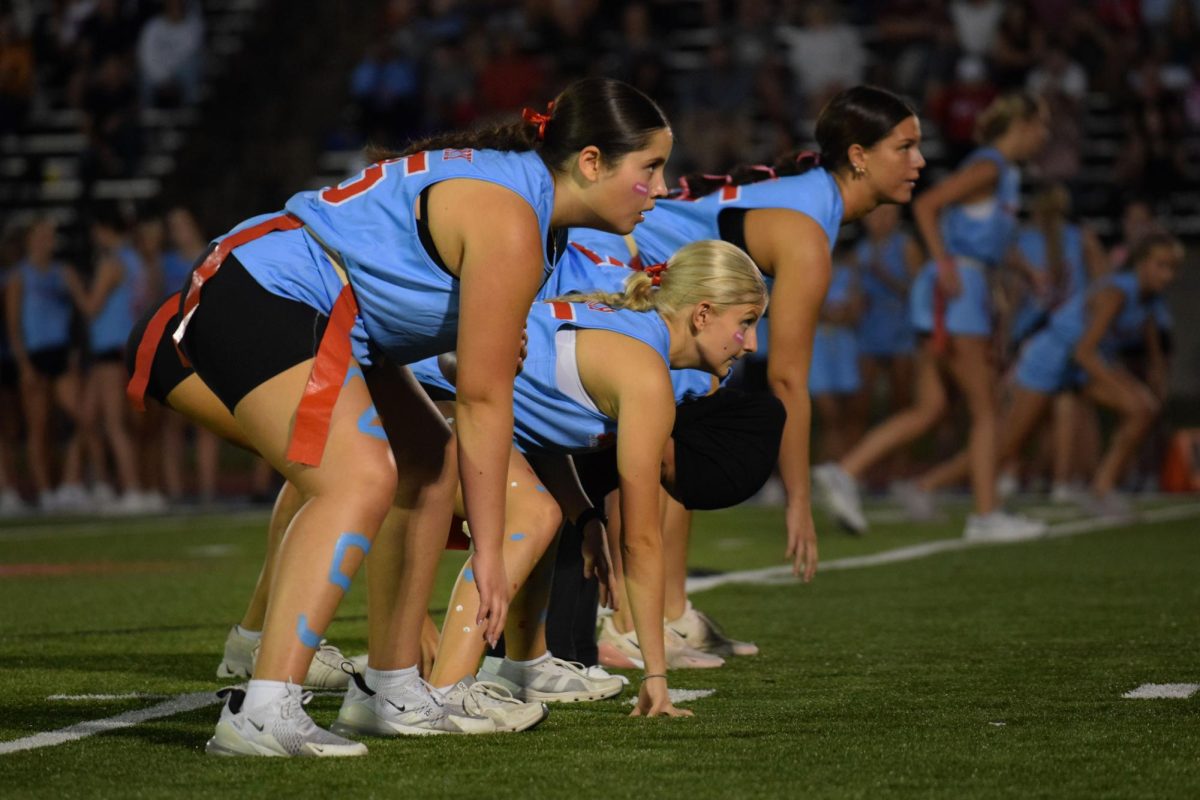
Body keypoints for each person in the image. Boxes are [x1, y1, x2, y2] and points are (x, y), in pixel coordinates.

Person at [169, 77, 672, 757]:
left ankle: (391, 688)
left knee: (428, 472)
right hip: (271, 288)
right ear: (590, 162)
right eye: (650, 168)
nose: (662, 188)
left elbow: (478, 377)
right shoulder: (512, 216)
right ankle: (264, 706)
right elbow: (484, 398)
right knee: (357, 478)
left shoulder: (528, 208)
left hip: (331, 313)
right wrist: (489, 552)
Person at [570, 84, 926, 602]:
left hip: (647, 271)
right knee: (651, 439)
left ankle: (667, 612)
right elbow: (786, 377)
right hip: (614, 258)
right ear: (858, 157)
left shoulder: (810, 200)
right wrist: (798, 500)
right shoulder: (807, 230)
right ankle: (624, 613)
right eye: (904, 146)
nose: (919, 160)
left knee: (684, 416)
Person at [410, 240, 774, 719]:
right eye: (746, 322)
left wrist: (584, 516)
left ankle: (524, 663)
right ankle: (445, 692)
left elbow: (534, 424)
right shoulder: (646, 375)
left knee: (549, 508)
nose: (750, 344)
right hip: (403, 407)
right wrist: (657, 677)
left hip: (415, 400)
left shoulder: (625, 326)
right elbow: (641, 541)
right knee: (532, 511)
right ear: (703, 314)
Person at [815, 92, 1049, 541]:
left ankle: (844, 471)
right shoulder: (991, 166)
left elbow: (989, 238)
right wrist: (942, 264)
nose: (1045, 136)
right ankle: (986, 515)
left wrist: (1026, 270)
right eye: (1041, 126)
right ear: (1022, 126)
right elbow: (927, 205)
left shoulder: (1004, 173)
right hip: (958, 289)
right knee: (987, 411)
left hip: (960, 286)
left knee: (931, 407)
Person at [910, 232, 1182, 521]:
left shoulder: (1150, 301)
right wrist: (1125, 386)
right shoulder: (1115, 293)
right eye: (1160, 265)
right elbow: (1085, 352)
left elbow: (1148, 352)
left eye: (1173, 268)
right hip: (1050, 357)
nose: (1167, 275)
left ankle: (1102, 490)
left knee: (1141, 409)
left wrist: (1147, 385)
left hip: (1076, 364)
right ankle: (925, 486)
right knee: (1005, 446)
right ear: (1141, 264)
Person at [4, 218, 89, 512]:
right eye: (40, 236)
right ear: (29, 240)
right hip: (35, 355)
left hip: (61, 353)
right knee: (38, 428)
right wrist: (24, 364)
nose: (46, 241)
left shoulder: (62, 273)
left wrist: (76, 352)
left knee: (84, 417)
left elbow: (82, 312)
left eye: (50, 236)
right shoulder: (19, 277)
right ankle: (45, 492)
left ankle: (69, 482)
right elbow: (13, 325)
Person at [850, 204, 923, 487]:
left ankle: (900, 470)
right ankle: (859, 470)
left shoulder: (906, 246)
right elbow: (856, 293)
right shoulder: (861, 252)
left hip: (900, 327)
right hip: (870, 329)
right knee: (861, 403)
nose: (880, 221)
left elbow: (918, 291)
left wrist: (886, 278)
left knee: (901, 401)